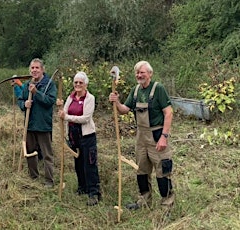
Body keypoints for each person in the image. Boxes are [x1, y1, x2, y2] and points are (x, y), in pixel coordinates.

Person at [109, 61, 175, 209]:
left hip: (157, 135)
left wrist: (164, 136)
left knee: (163, 171)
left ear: (150, 74)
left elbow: (168, 112)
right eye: (137, 73)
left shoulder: (158, 89)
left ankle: (167, 205)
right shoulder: (136, 90)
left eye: (142, 72)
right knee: (142, 171)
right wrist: (117, 102)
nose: (139, 75)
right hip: (141, 136)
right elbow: (125, 109)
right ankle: (144, 201)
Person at [58, 71, 101, 206]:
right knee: (78, 163)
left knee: (89, 164)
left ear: (85, 85)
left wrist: (67, 117)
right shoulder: (70, 98)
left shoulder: (90, 98)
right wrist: (60, 107)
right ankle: (82, 188)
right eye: (76, 82)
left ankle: (94, 193)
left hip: (87, 136)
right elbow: (63, 113)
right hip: (73, 135)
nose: (77, 85)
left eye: (80, 83)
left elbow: (85, 118)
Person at [17, 58, 57, 188]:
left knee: (47, 154)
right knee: (30, 151)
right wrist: (24, 104)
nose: (34, 70)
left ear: (42, 70)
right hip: (30, 124)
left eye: (37, 68)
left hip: (43, 125)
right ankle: (33, 176)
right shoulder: (27, 85)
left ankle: (49, 180)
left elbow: (50, 101)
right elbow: (20, 100)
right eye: (32, 68)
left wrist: (36, 93)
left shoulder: (49, 84)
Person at [12, 79, 44, 161]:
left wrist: (19, 84)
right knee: (30, 139)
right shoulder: (17, 87)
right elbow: (20, 97)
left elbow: (26, 89)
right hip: (28, 112)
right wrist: (23, 104)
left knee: (39, 138)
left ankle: (40, 155)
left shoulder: (25, 85)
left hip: (38, 115)